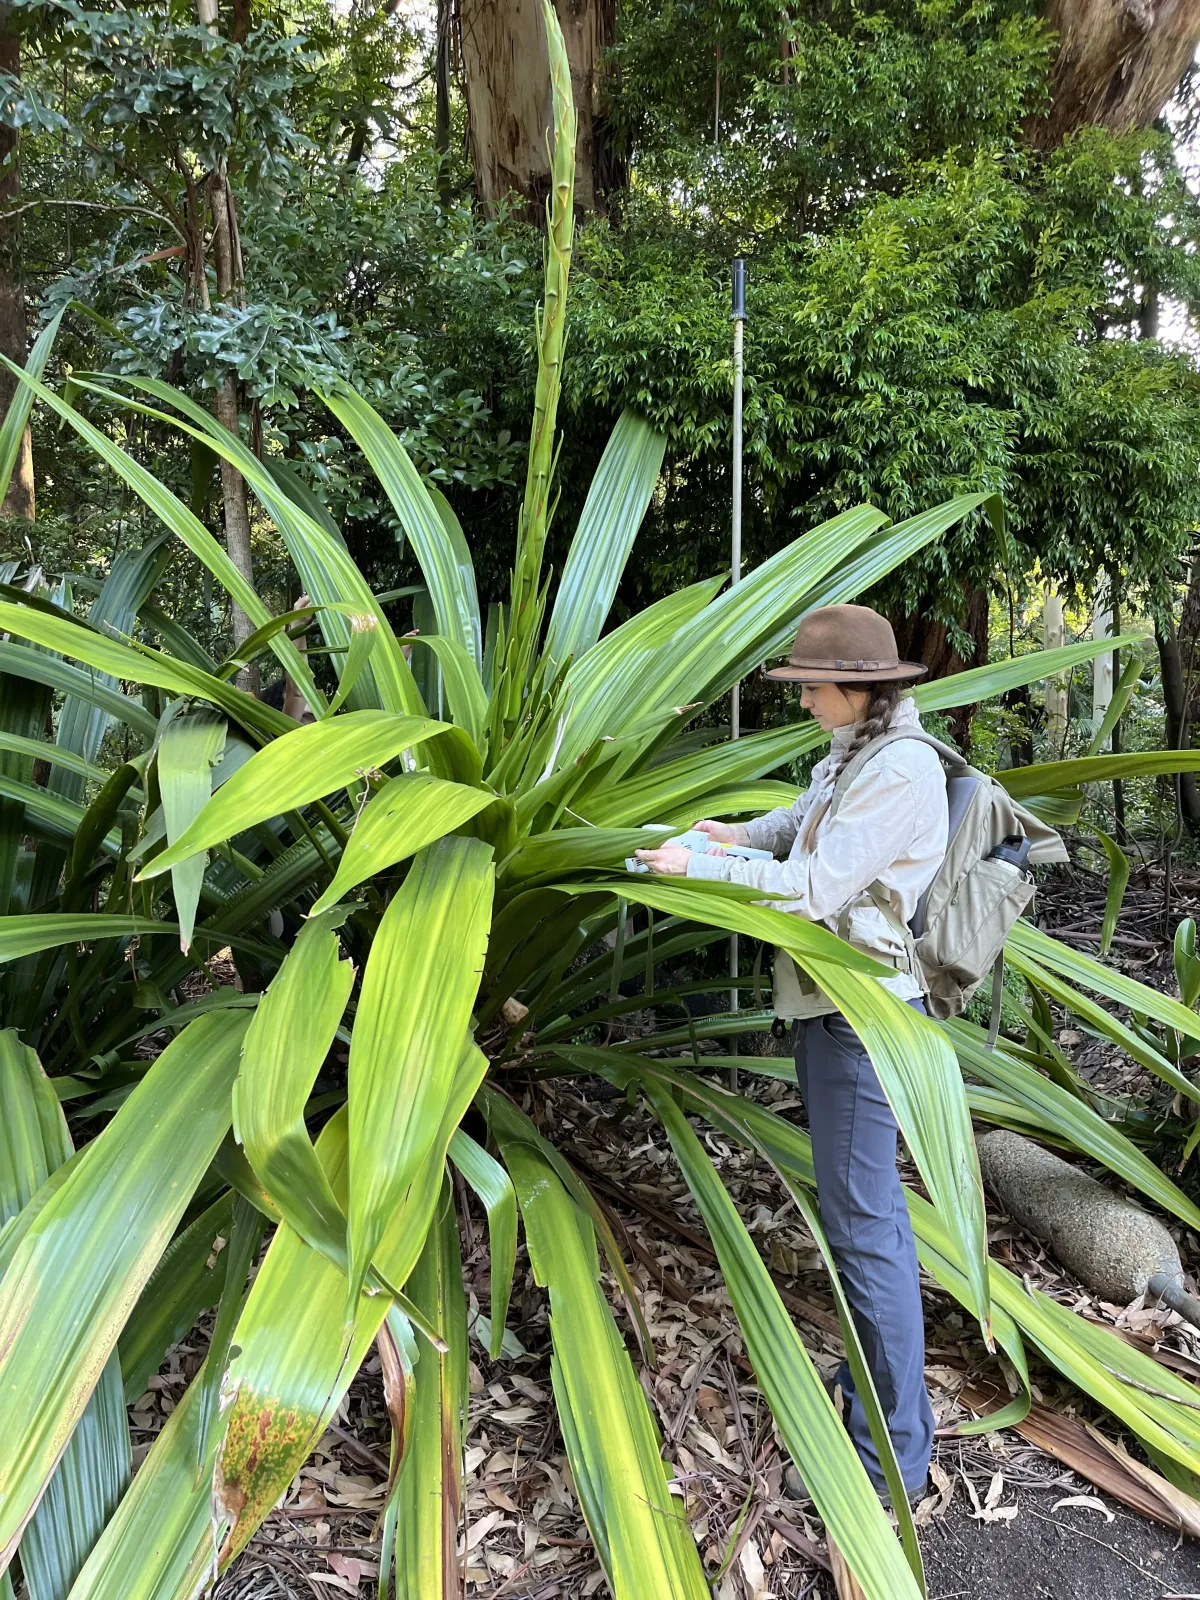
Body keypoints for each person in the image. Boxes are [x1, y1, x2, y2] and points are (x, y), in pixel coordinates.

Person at [634, 603, 948, 1508]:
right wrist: (730, 837)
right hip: (830, 1004)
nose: (806, 699)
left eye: (813, 686)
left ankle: (889, 1453)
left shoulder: (903, 771)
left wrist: (701, 873)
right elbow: (798, 826)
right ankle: (877, 1417)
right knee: (860, 1223)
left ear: (861, 688)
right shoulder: (860, 752)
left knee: (864, 1231)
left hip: (861, 1012)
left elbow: (812, 888)